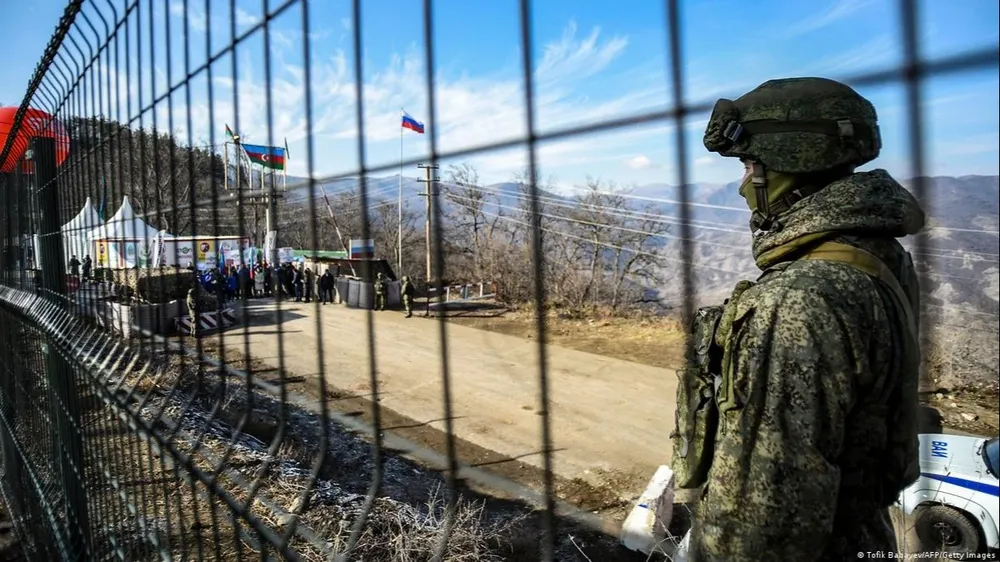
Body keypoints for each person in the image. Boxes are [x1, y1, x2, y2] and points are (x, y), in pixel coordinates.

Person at [671, 77, 924, 561]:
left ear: (789, 164)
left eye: (749, 165)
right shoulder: (875, 259)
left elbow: (762, 525)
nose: (744, 183)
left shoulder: (797, 299)